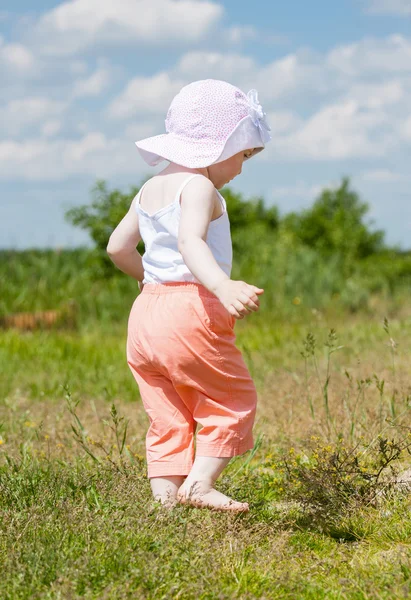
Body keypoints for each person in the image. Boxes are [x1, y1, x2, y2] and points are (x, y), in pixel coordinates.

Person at [107, 79, 271, 512]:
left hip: (145, 316)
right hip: (191, 309)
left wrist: (147, 279)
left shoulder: (148, 189)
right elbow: (190, 242)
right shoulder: (200, 188)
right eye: (243, 155)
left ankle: (164, 506)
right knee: (230, 398)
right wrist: (222, 284)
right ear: (218, 149)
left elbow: (117, 248)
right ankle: (199, 485)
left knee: (166, 411)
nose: (241, 168)